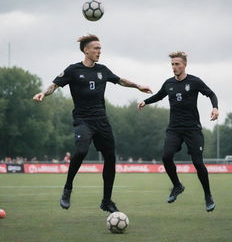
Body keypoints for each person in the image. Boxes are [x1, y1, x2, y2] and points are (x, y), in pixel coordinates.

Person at [33, 34, 152, 213]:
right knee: (81, 150)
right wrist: (43, 93)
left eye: (100, 48)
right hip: (83, 120)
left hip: (101, 121)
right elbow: (54, 85)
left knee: (111, 158)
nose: (99, 51)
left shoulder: (102, 70)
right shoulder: (73, 70)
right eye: (96, 48)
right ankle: (67, 188)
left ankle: (106, 201)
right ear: (85, 50)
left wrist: (138, 86)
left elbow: (120, 80)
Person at [138, 51, 219, 212]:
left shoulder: (194, 81)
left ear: (184, 65)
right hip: (174, 129)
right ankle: (177, 186)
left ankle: (208, 196)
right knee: (166, 157)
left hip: (192, 129)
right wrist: (145, 101)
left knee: (198, 162)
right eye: (172, 64)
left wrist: (215, 108)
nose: (174, 67)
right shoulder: (169, 83)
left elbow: (211, 94)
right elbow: (159, 96)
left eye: (177, 64)